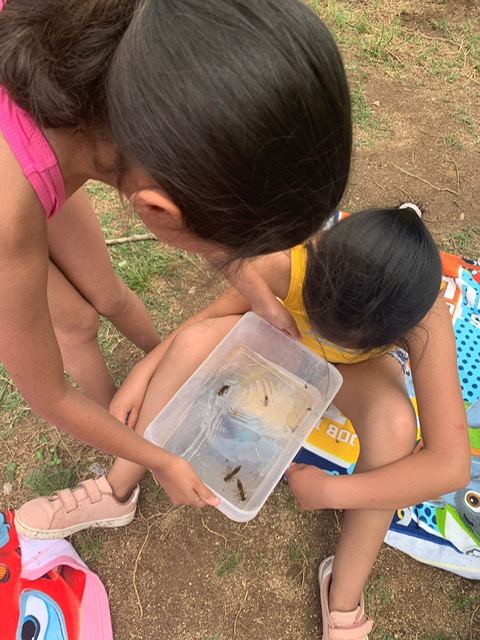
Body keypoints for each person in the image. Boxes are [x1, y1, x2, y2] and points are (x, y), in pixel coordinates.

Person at [17, 204, 470, 639]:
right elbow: (207, 320)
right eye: (316, 314)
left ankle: (344, 597)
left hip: (352, 377)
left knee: (395, 426)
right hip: (282, 344)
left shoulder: (423, 317)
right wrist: (143, 371)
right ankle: (116, 488)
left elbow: (450, 466)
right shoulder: (287, 264)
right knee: (195, 342)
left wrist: (331, 491)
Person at [0, 1, 352, 506]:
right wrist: (159, 457)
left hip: (25, 135)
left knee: (109, 295)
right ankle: (121, 424)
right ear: (157, 208)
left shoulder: (145, 39)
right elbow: (49, 394)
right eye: (230, 246)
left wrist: (264, 303)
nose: (228, 254)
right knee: (76, 323)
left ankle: (151, 381)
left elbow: (202, 212)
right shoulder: (8, 221)